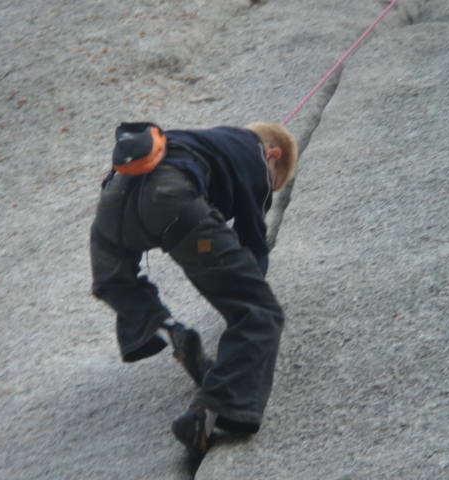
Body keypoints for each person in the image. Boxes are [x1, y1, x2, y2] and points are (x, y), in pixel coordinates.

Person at [89, 121, 298, 461]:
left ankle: (161, 325)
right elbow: (252, 240)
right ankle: (216, 409)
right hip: (173, 205)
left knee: (114, 281)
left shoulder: (204, 140)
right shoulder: (258, 157)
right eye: (272, 183)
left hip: (113, 206)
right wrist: (248, 293)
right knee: (260, 312)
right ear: (273, 155)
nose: (267, 189)